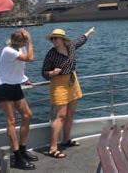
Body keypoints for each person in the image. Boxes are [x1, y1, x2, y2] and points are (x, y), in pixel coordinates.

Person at [41, 27, 96, 158]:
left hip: (72, 81)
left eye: (56, 38)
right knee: (60, 116)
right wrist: (52, 73)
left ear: (63, 39)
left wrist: (88, 32)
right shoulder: (51, 54)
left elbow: (80, 40)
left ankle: (66, 140)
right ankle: (53, 148)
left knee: (70, 114)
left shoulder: (70, 46)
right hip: (59, 84)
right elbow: (44, 72)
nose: (54, 40)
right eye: (52, 38)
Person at [0, 29, 38, 170]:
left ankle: (22, 149)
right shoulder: (8, 50)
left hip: (14, 85)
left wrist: (24, 79)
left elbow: (17, 67)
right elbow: (30, 59)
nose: (26, 43)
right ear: (20, 41)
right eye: (24, 40)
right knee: (11, 121)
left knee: (27, 115)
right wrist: (30, 41)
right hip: (2, 86)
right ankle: (17, 157)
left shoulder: (19, 48)